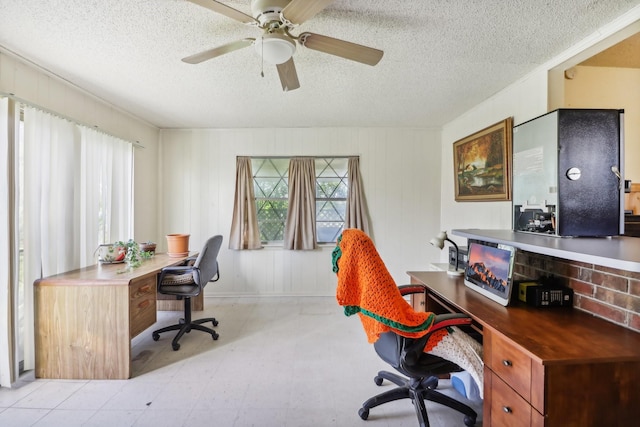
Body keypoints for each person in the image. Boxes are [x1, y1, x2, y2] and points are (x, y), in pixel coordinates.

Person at [333, 228, 483, 398]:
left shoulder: (369, 286)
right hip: (409, 345)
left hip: (390, 343)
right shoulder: (375, 290)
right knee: (476, 344)